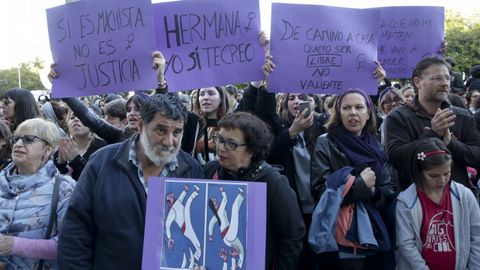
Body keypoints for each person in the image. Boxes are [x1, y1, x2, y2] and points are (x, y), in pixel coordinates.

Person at [58, 94, 204, 269]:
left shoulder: (191, 169)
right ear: (141, 126)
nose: (169, 141)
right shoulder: (102, 163)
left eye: (177, 132)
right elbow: (75, 232)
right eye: (161, 130)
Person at [203, 112, 305, 270]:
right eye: (220, 139)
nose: (221, 147)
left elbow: (292, 237)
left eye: (231, 144)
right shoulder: (209, 171)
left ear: (252, 150)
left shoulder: (273, 182)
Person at [310, 88, 398, 270]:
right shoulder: (325, 143)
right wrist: (360, 186)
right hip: (341, 235)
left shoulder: (376, 144)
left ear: (368, 113)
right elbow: (320, 190)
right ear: (338, 113)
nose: (353, 113)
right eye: (346, 108)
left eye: (359, 107)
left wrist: (374, 192)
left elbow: (390, 188)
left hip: (377, 229)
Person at [385, 56, 480, 191]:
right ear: (418, 82)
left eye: (447, 78)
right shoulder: (398, 117)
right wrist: (432, 135)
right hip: (416, 202)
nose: (445, 83)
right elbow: (396, 159)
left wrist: (451, 144)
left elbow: (477, 155)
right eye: (437, 78)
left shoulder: (462, 115)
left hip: (458, 199)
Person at [0, 118, 76, 268]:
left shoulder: (64, 188)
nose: (19, 144)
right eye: (17, 139)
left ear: (47, 150)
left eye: (29, 139)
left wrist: (14, 245)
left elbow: (70, 245)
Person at [396, 137, 480, 270]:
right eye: (434, 176)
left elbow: (477, 236)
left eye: (446, 173)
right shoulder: (406, 201)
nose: (442, 180)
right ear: (419, 171)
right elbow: (406, 243)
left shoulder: (465, 196)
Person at [54, 113, 107, 181]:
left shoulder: (102, 149)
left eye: (81, 117)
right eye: (72, 118)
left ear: (92, 124)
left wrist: (76, 160)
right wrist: (60, 164)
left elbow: (97, 182)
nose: (76, 119)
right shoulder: (65, 145)